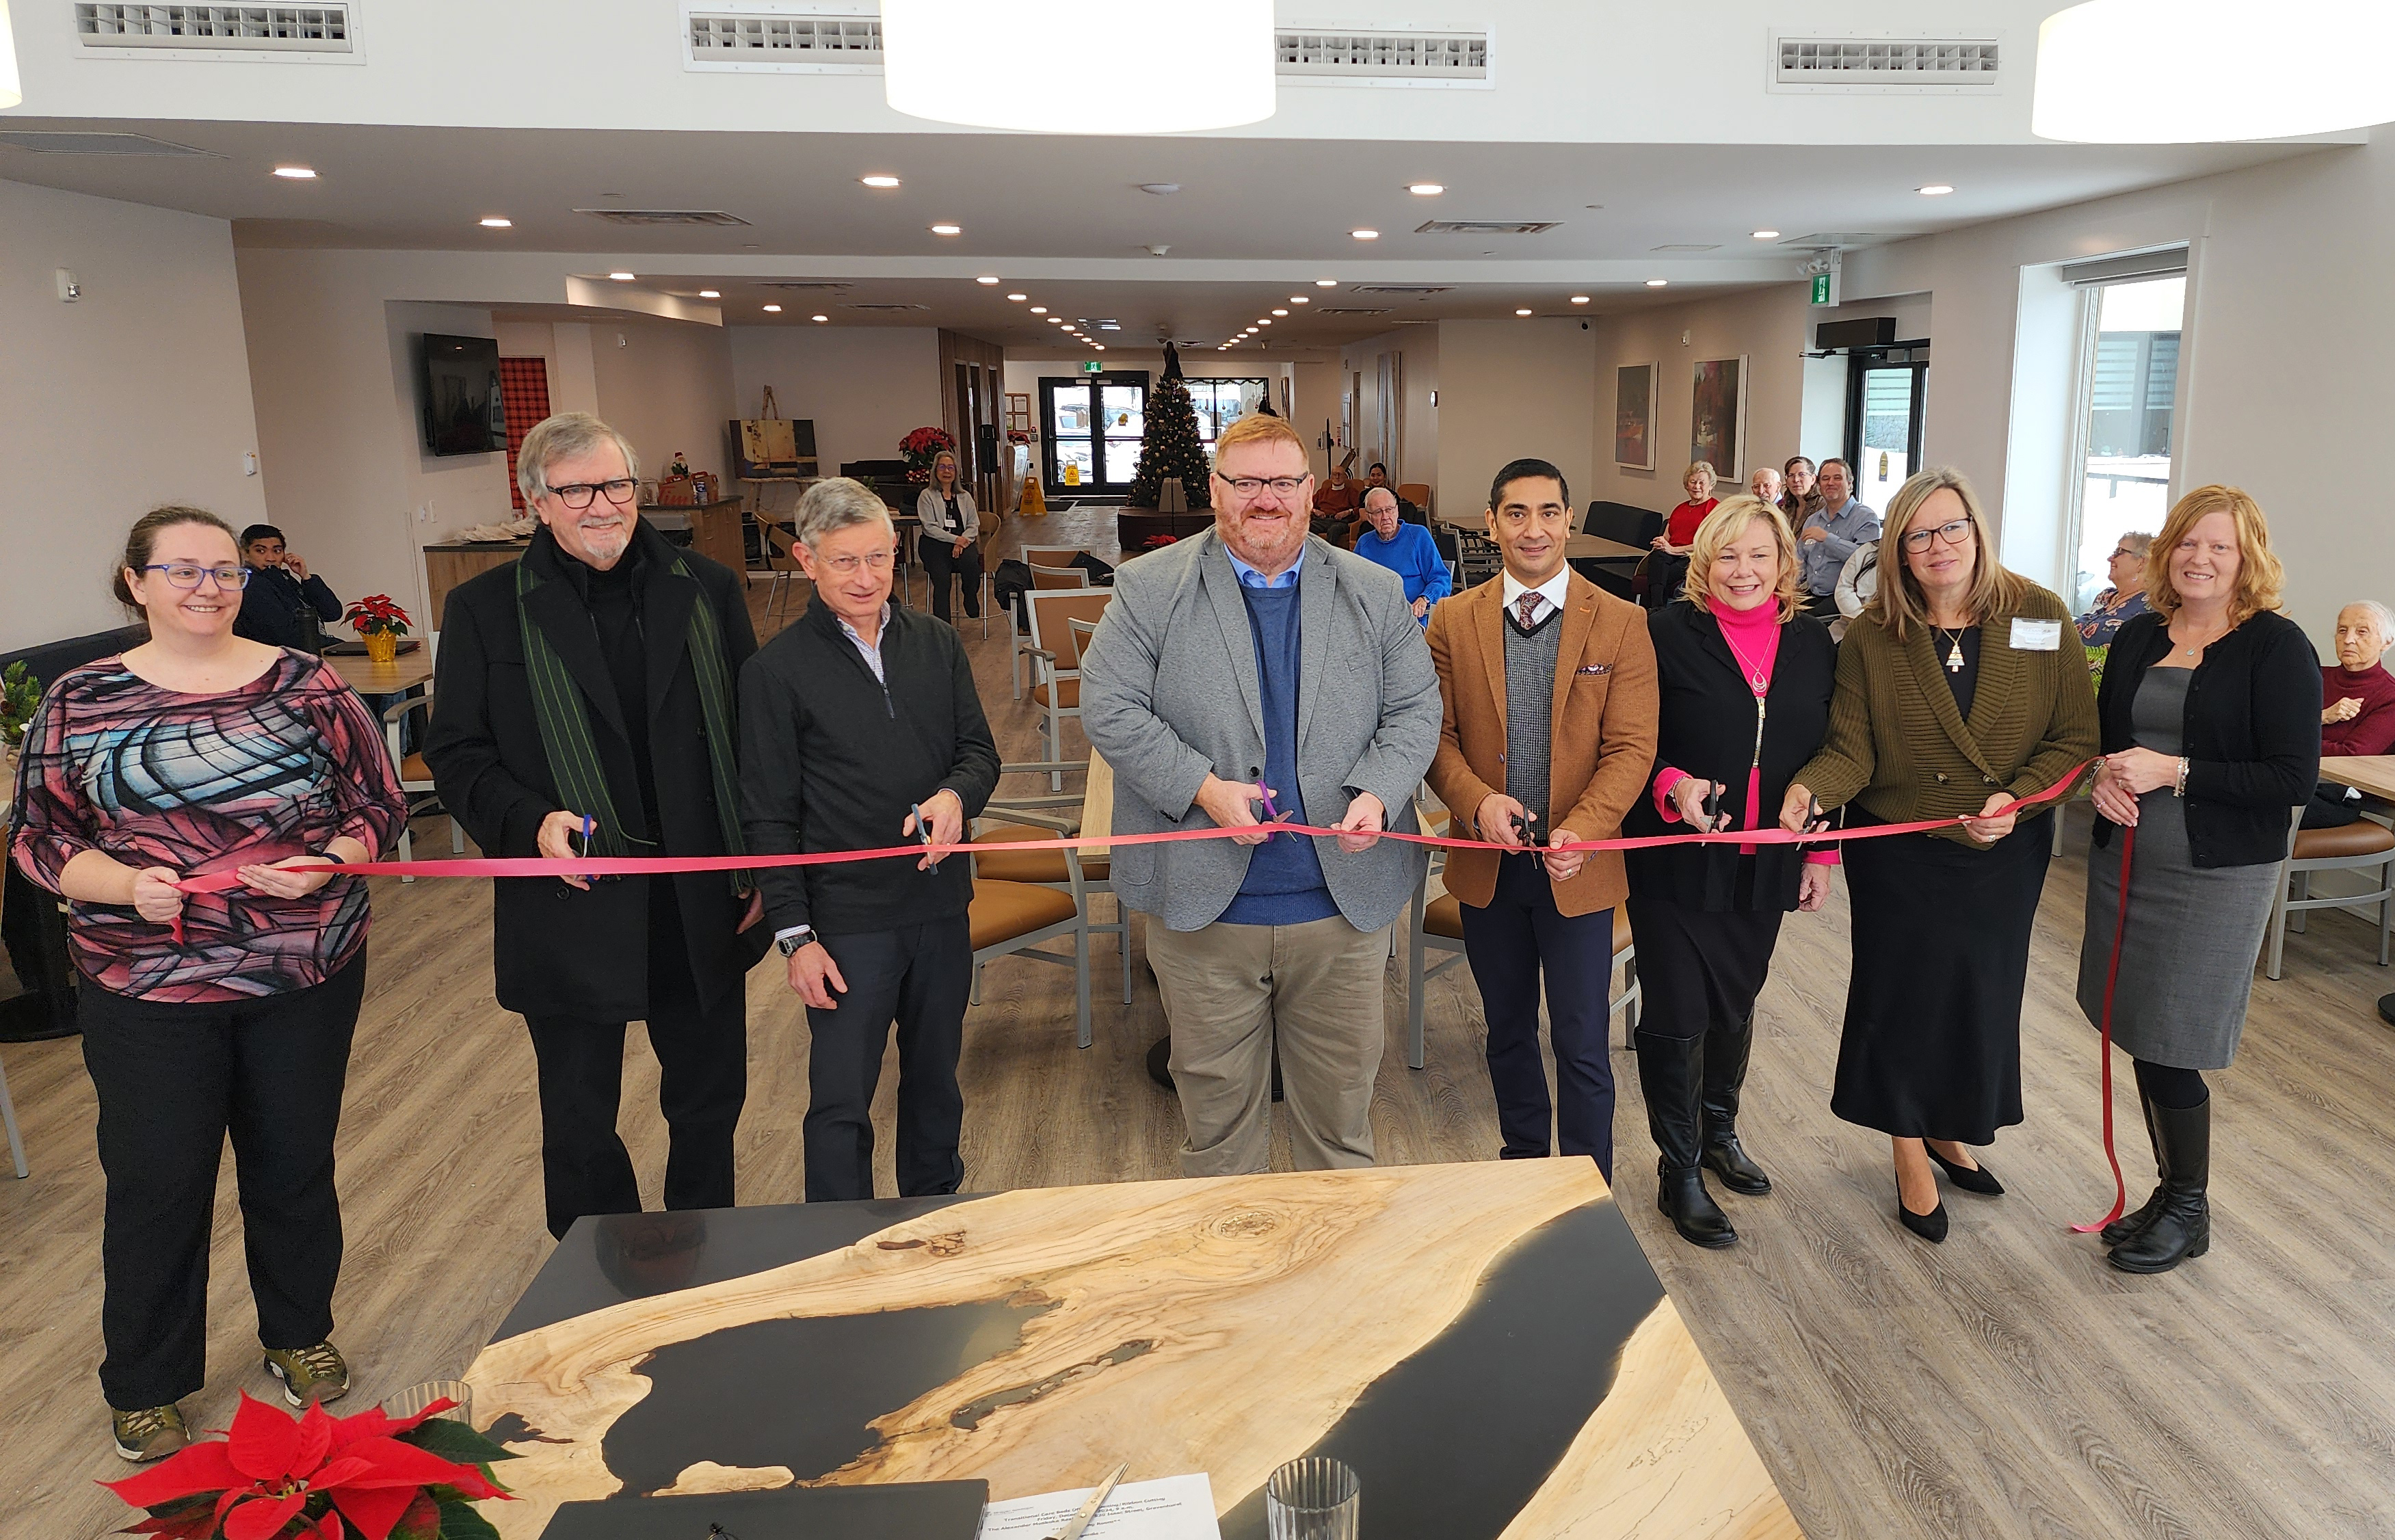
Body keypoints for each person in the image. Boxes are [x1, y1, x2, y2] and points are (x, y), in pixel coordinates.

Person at [7, 507, 407, 1461]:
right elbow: (36, 838)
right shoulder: (81, 698)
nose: (206, 587)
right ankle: (144, 1382)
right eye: (181, 570)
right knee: (156, 1179)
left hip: (302, 969)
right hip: (144, 983)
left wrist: (331, 860)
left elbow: (378, 805)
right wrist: (123, 886)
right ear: (136, 582)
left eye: (224, 571)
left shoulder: (306, 682)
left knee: (294, 1159)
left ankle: (299, 1332)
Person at [424, 412, 765, 1243]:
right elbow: (457, 751)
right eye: (575, 490)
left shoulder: (707, 588)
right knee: (579, 1116)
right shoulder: (483, 609)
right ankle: (594, 1270)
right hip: (572, 899)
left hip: (698, 894)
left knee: (708, 1100)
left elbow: (754, 738)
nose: (601, 505)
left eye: (614, 485)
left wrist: (760, 866)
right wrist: (529, 818)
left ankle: (706, 1249)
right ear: (537, 501)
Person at [1081, 410, 1440, 1176]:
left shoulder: (1374, 592)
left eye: (1282, 481)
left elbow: (1417, 708)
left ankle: (1333, 1293)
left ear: (1312, 492)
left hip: (1342, 911)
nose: (1265, 499)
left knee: (1341, 1133)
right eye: (1246, 482)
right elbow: (1107, 704)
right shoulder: (1150, 586)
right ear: (1215, 490)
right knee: (1216, 1137)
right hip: (1204, 908)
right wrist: (1204, 788)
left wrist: (1378, 790)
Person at [1780, 467, 2098, 1245]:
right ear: (1896, 548)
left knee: (1978, 997)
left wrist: (2017, 798)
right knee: (1902, 997)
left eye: (1951, 527)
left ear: (1978, 531)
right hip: (1901, 849)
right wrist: (1809, 791)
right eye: (1916, 534)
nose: (1937, 545)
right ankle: (1904, 1146)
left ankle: (1946, 1126)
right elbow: (1851, 746)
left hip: (2004, 848)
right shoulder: (1872, 633)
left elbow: (2073, 739)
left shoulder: (2040, 613)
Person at [740, 479, 1000, 1202]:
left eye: (879, 558)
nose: (866, 578)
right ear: (806, 560)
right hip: (848, 924)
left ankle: (933, 1219)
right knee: (840, 1103)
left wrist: (956, 794)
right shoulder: (775, 672)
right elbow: (767, 814)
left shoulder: (937, 643)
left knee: (934, 1086)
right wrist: (797, 936)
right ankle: (837, 1245)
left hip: (941, 905)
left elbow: (979, 752)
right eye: (845, 561)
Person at [2085, 490, 2318, 1273]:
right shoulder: (2139, 634)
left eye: (2219, 547)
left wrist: (2173, 771)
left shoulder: (2275, 646)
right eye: (2187, 543)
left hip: (2214, 872)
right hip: (2129, 858)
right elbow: (2110, 738)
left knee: (2172, 1038)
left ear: (2247, 557)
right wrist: (2104, 777)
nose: (2200, 559)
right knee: (2137, 1027)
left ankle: (2189, 1207)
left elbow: (2290, 776)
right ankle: (2167, 1191)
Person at [1425, 458, 1656, 1180]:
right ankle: (1522, 1171)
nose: (1534, 527)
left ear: (1568, 520)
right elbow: (1434, 738)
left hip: (1576, 869)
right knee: (1507, 1033)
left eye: (1548, 511)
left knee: (1583, 1042)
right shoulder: (1451, 619)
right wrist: (1475, 802)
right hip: (1489, 869)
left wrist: (1583, 829)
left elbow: (1631, 746)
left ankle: (1587, 1192)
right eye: (1516, 512)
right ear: (1491, 524)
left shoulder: (1620, 620)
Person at [1624, 498, 1837, 1246]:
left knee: (1736, 1002)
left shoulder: (1813, 643)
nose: (1741, 571)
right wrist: (1672, 785)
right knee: (1678, 1010)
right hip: (1677, 858)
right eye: (1726, 555)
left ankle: (1720, 1133)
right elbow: (1625, 740)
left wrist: (1821, 850)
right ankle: (1676, 1167)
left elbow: (1832, 755)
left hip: (1766, 859)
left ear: (1785, 564)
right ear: (1700, 562)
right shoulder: (1660, 634)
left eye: (1758, 555)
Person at [230, 522, 342, 653]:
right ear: (245, 554)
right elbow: (286, 636)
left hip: (310, 653)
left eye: (277, 551)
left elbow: (332, 613)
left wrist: (306, 576)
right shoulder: (250, 584)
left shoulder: (281, 578)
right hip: (282, 661)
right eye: (260, 551)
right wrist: (334, 644)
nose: (271, 558)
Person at [1352, 486, 1451, 625]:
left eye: (1389, 510)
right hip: (1377, 622)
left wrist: (1425, 598)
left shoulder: (1418, 536)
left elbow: (1442, 578)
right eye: (1378, 512)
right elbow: (1353, 584)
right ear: (1369, 518)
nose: (1385, 517)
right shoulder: (1364, 543)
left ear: (1397, 511)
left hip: (1414, 620)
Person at [1795, 459, 1879, 615]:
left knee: (1805, 624)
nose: (1830, 483)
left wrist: (1827, 538)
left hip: (1846, 598)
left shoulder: (1865, 517)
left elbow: (1867, 559)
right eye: (1825, 479)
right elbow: (1798, 560)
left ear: (1850, 483)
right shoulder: (1813, 520)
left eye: (1837, 478)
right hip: (1811, 594)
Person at [914, 449, 984, 626]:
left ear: (956, 472)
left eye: (951, 468)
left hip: (963, 542)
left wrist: (962, 541)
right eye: (942, 467)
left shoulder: (964, 497)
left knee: (971, 564)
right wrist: (955, 540)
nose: (946, 472)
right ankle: (943, 627)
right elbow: (929, 527)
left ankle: (969, 596)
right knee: (942, 580)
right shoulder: (927, 496)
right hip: (934, 545)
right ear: (935, 471)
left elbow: (973, 525)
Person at [2322, 600, 2395, 757]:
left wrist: (2291, 744)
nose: (2348, 640)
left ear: (2387, 642)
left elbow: (2352, 754)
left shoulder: (2390, 696)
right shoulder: (2314, 676)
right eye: (2342, 630)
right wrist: (2323, 716)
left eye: (2362, 632)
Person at [2075, 532, 2156, 649]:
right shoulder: (2106, 596)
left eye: (2119, 552)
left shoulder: (2150, 606)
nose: (2110, 559)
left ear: (2141, 562)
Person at [1779, 456, 1822, 527]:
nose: (1796, 480)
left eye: (1802, 474)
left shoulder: (1822, 505)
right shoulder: (1787, 506)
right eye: (1791, 475)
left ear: (1813, 479)